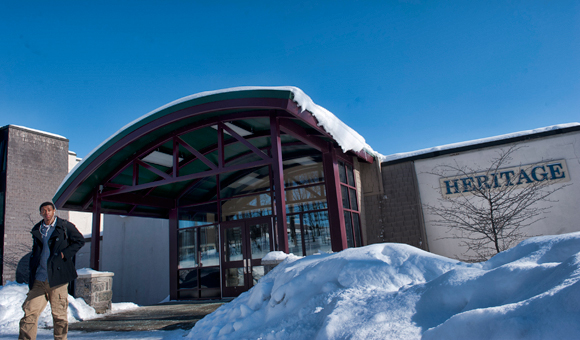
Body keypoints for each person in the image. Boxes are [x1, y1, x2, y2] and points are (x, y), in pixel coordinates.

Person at [19, 202, 85, 340]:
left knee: (59, 316)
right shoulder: (38, 228)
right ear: (40, 213)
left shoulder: (65, 226)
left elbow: (79, 240)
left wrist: (65, 254)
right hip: (39, 279)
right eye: (43, 210)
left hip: (57, 279)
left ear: (54, 211)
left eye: (49, 210)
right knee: (29, 312)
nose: (46, 213)